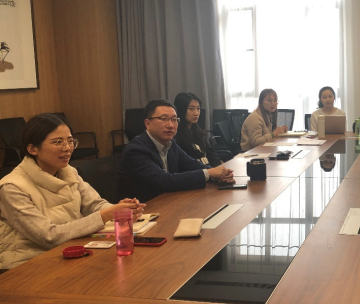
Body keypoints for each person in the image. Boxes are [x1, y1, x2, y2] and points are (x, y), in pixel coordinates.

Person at [0, 114, 145, 270]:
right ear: (32, 149)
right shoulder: (12, 187)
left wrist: (119, 211)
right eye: (58, 142)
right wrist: (106, 215)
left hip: (70, 251)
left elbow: (95, 205)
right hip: (28, 264)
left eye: (70, 141)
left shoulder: (68, 172)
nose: (67, 148)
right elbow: (48, 236)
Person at [117, 99, 234, 203]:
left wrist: (216, 175)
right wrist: (209, 173)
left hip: (169, 202)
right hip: (144, 211)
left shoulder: (171, 144)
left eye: (174, 120)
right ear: (148, 123)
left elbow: (192, 164)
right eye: (163, 119)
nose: (170, 125)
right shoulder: (136, 150)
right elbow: (165, 181)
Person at [173, 92, 225, 166]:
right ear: (181, 110)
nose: (196, 113)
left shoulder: (198, 132)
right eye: (191, 109)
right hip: (200, 172)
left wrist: (223, 168)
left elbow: (212, 156)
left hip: (211, 171)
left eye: (198, 109)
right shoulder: (176, 136)